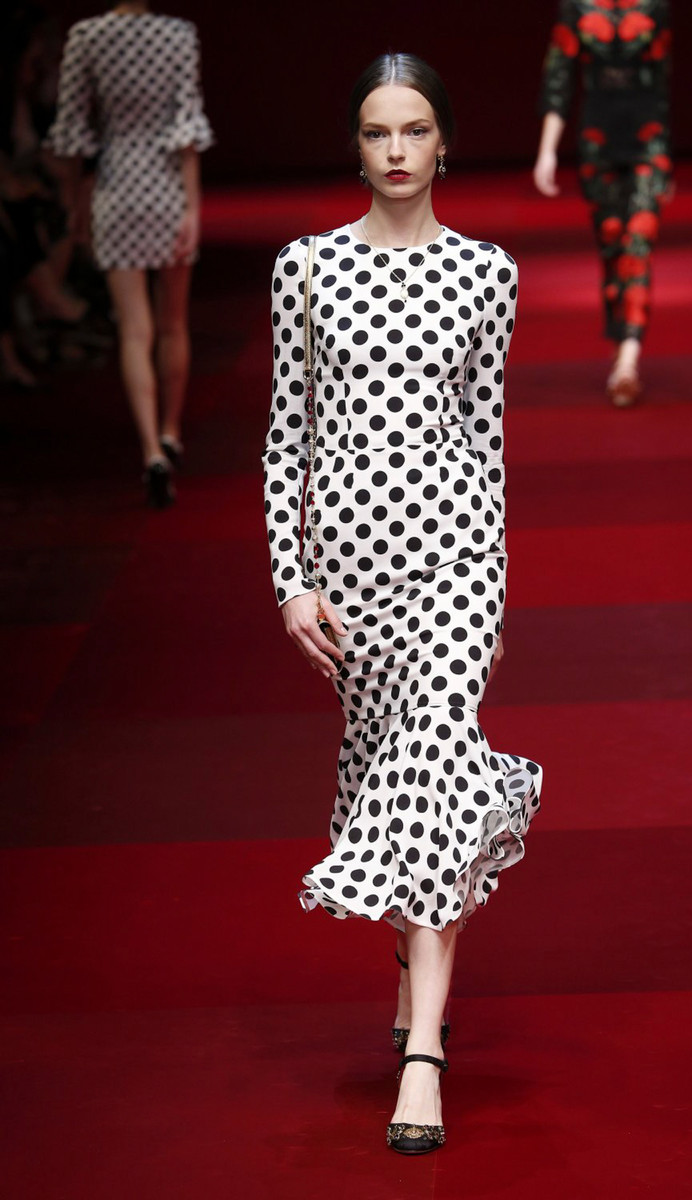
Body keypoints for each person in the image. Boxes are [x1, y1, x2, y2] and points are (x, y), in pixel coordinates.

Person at [262, 54, 542, 1155]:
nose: (395, 150)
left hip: (454, 561)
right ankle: (408, 961)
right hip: (349, 571)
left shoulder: (486, 273)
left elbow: (484, 434)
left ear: (443, 142)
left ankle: (423, 1054)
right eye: (377, 131)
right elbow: (287, 436)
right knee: (382, 774)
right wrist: (290, 581)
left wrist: (494, 587)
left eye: (414, 130)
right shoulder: (306, 268)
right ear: (356, 144)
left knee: (434, 765)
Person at [46, 2, 213, 507]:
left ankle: (150, 452)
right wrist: (193, 209)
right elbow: (187, 130)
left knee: (134, 330)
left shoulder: (86, 36)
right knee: (173, 324)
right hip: (166, 191)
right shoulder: (177, 35)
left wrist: (74, 204)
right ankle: (170, 431)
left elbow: (72, 134)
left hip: (116, 192)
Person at [533, 0, 673, 407]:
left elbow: (661, 80)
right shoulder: (576, 8)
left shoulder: (655, 6)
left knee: (638, 245)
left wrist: (667, 156)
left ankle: (627, 361)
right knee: (612, 246)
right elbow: (558, 80)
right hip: (597, 142)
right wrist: (547, 152)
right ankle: (620, 339)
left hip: (649, 142)